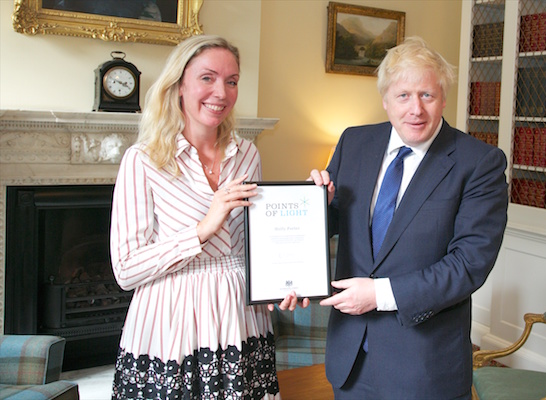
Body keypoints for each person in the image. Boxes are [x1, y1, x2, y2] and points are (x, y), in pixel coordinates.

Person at [308, 36, 509, 399]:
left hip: (425, 369)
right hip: (351, 361)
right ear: (385, 101)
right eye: (403, 96)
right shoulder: (353, 143)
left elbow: (468, 265)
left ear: (443, 99)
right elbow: (335, 224)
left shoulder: (479, 163)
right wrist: (315, 205)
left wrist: (379, 294)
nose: (415, 109)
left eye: (426, 95)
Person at [110, 35, 281, 399]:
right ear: (179, 85)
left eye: (231, 81)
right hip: (172, 321)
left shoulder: (248, 154)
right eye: (207, 78)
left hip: (239, 318)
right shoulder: (143, 160)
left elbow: (255, 242)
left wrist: (274, 283)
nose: (221, 92)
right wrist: (202, 229)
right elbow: (125, 269)